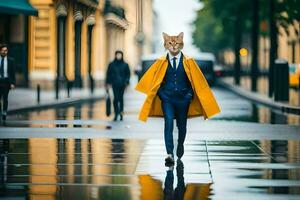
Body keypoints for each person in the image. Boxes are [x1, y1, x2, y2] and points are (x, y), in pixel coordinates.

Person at [135, 32, 221, 166]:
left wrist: (189, 96)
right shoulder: (160, 62)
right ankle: (169, 153)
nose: (174, 46)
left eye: (177, 43)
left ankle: (180, 144)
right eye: (170, 43)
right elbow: (155, 82)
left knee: (182, 126)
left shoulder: (189, 62)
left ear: (181, 44)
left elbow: (195, 82)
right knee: (168, 123)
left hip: (183, 100)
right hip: (167, 99)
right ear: (166, 45)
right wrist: (162, 95)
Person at [105, 50, 130, 121]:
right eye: (117, 55)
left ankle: (121, 113)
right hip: (114, 84)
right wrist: (107, 83)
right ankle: (116, 114)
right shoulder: (111, 64)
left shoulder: (125, 64)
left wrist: (127, 82)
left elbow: (128, 74)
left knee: (121, 99)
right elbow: (108, 74)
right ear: (115, 55)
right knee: (115, 99)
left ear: (122, 55)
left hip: (122, 85)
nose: (119, 56)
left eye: (120, 55)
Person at [0, 44, 16, 121]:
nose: (4, 52)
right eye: (3, 50)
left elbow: (13, 73)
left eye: (5, 50)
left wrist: (13, 83)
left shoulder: (11, 60)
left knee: (5, 98)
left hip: (6, 81)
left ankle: (4, 112)